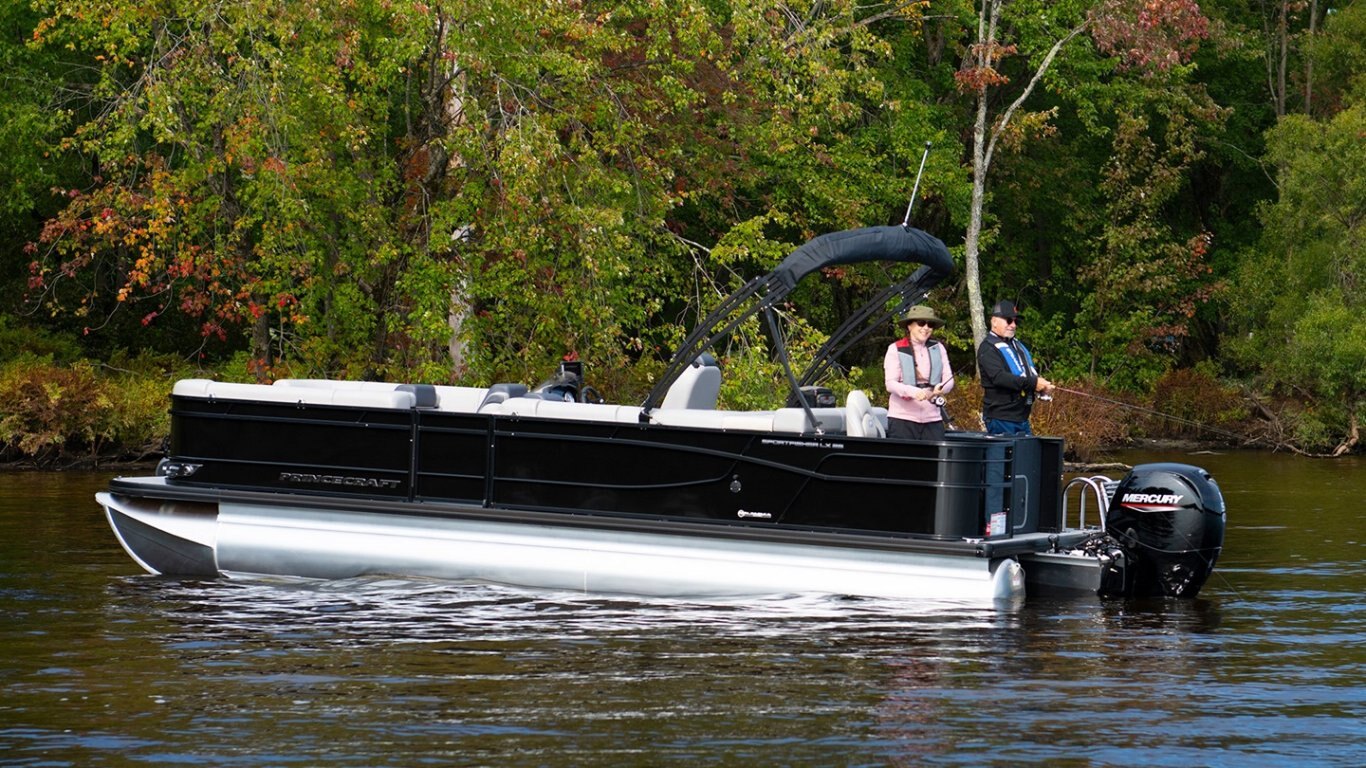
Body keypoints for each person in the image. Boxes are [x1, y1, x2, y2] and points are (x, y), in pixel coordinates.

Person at [976, 299, 1053, 435]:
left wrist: (1041, 388)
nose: (1013, 325)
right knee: (1008, 450)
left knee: (1027, 449)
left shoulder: (1016, 346)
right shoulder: (987, 348)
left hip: (1022, 418)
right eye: (1008, 320)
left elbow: (1026, 375)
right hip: (1001, 418)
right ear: (994, 321)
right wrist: (1033, 383)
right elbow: (999, 378)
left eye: (1015, 321)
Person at [884, 304, 955, 441]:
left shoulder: (939, 348)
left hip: (933, 419)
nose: (926, 328)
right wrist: (914, 392)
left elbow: (949, 379)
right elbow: (890, 384)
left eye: (930, 324)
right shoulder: (894, 349)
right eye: (921, 323)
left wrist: (940, 389)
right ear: (909, 326)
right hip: (902, 420)